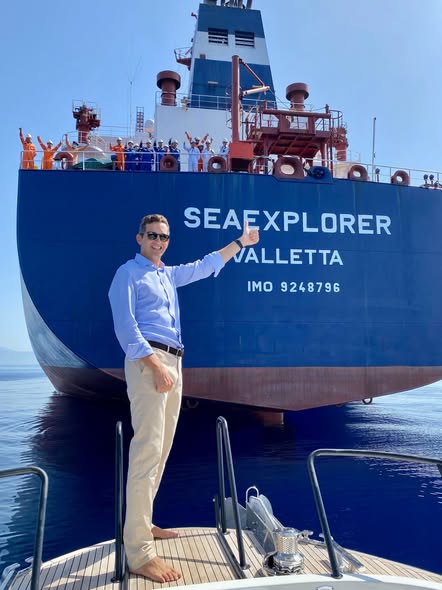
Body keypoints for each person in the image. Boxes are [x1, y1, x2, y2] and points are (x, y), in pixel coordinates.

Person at [108, 214, 259, 583]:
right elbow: (126, 327)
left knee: (161, 451)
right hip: (150, 362)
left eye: (164, 237)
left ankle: (142, 524)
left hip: (173, 362)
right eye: (153, 236)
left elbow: (205, 266)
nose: (159, 241)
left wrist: (240, 243)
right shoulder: (128, 273)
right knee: (147, 451)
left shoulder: (167, 275)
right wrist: (155, 366)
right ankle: (139, 553)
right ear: (139, 237)